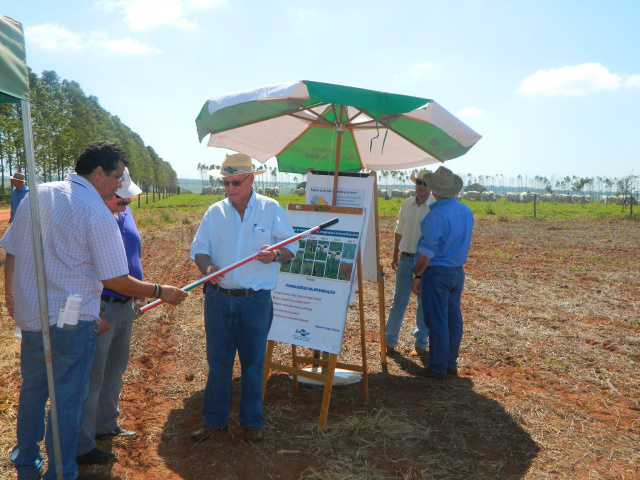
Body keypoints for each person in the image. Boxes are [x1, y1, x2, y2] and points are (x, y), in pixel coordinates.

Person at [1, 141, 187, 480]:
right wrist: (161, 291)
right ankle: (62, 472)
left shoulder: (37, 195)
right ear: (98, 172)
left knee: (32, 392)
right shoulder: (94, 210)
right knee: (68, 401)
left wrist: (10, 294)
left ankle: (26, 465)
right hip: (72, 326)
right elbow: (117, 279)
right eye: (116, 177)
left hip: (33, 317)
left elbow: (10, 249)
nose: (119, 185)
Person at [189, 152, 297, 444]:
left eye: (236, 182)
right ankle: (214, 421)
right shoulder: (215, 213)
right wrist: (207, 268)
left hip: (255, 301)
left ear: (251, 180)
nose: (230, 188)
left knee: (253, 363)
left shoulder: (271, 209)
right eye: (225, 183)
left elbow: (292, 248)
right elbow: (199, 249)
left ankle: (252, 422)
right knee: (218, 362)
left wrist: (274, 255)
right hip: (219, 300)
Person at [76, 168, 144, 466]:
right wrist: (95, 309)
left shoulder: (124, 214)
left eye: (128, 199)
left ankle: (107, 424)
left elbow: (133, 257)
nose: (125, 203)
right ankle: (83, 444)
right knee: (93, 378)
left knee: (115, 369)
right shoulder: (91, 217)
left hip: (125, 305)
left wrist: (137, 295)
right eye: (121, 198)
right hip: (100, 306)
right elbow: (83, 268)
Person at [410, 166, 474, 380]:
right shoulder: (466, 211)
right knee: (453, 318)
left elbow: (428, 250)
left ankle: (437, 367)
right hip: (457, 271)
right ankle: (449, 363)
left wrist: (418, 275)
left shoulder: (435, 214)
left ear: (434, 190)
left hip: (437, 272)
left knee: (436, 320)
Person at [384, 169, 435, 357]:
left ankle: (420, 344)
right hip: (405, 258)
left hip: (425, 261)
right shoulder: (406, 204)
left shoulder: (435, 207)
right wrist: (394, 254)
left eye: (425, 183)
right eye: (419, 182)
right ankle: (389, 341)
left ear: (431, 187)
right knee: (398, 301)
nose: (421, 186)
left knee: (423, 302)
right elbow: (399, 230)